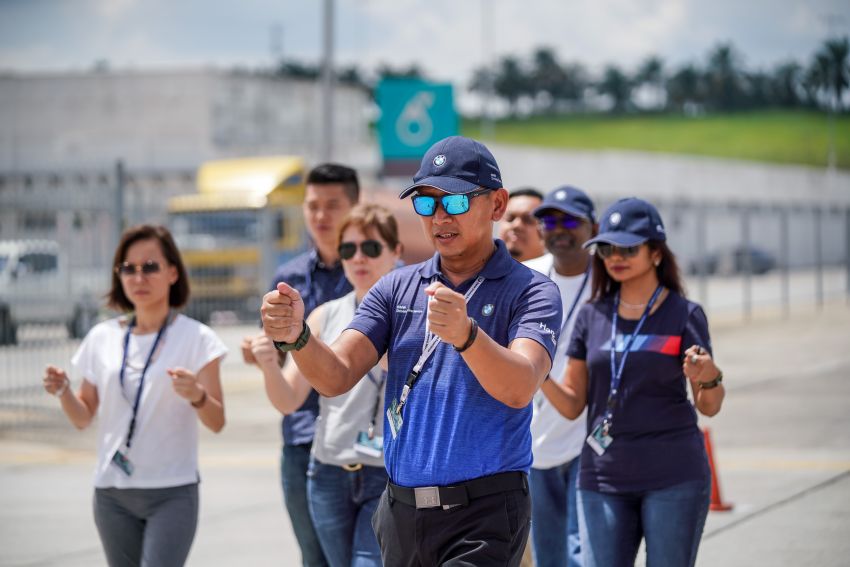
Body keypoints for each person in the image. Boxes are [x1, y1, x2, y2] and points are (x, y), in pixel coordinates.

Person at [261, 135, 562, 567]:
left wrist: (468, 336)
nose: (440, 216)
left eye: (455, 201)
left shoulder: (532, 290)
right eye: (427, 202)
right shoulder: (395, 287)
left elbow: (520, 387)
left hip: (485, 512)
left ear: (497, 204)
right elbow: (336, 375)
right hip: (402, 511)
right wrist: (298, 338)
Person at [542, 197, 726, 567]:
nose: (615, 256)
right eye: (606, 247)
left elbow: (709, 405)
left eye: (627, 247)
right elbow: (573, 403)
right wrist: (536, 373)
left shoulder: (684, 314)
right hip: (603, 478)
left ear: (656, 253)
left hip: (673, 475)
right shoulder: (591, 316)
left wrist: (709, 376)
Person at [42, 224, 227, 567]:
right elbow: (83, 417)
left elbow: (217, 422)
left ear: (173, 273)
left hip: (172, 491)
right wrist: (64, 390)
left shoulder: (197, 338)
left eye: (150, 267)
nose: (138, 277)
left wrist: (198, 395)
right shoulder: (101, 337)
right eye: (129, 268)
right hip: (112, 493)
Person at [252, 203, 400, 567]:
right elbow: (289, 401)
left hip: (386, 474)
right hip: (327, 471)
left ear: (396, 252)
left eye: (371, 247)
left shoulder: (412, 313)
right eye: (348, 249)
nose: (358, 258)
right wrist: (269, 364)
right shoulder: (325, 315)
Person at [242, 163, 359, 567]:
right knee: (314, 557)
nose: (321, 216)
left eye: (332, 205)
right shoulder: (287, 278)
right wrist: (260, 356)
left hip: (362, 439)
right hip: (302, 437)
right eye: (312, 206)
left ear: (355, 206)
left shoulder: (371, 272)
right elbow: (281, 357)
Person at [524, 185, 597, 567]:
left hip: (591, 444)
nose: (558, 229)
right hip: (535, 443)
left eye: (570, 220)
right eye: (549, 220)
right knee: (549, 556)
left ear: (593, 227)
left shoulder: (609, 282)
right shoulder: (527, 278)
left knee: (584, 555)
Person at [499, 187, 546, 262]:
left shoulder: (561, 272)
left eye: (528, 220)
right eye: (510, 218)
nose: (516, 225)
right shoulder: (479, 270)